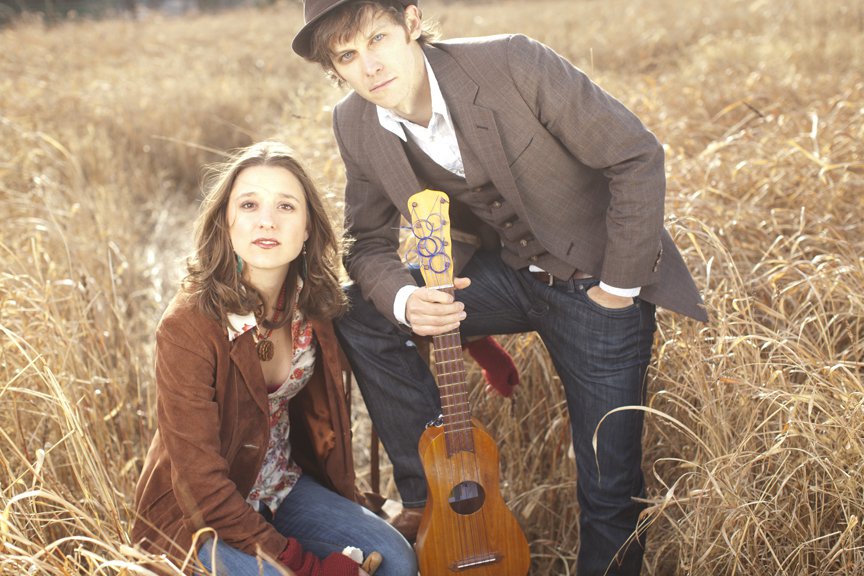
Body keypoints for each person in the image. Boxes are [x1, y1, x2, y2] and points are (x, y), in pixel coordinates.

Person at [291, 2, 708, 575]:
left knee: (608, 486)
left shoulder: (512, 62)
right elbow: (366, 242)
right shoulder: (355, 122)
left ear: (412, 22)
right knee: (360, 308)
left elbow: (635, 155)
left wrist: (617, 287)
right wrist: (407, 300)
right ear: (335, 69)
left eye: (378, 39)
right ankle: (431, 492)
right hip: (503, 276)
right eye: (347, 56)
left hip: (595, 282)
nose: (370, 67)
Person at [131, 141, 417, 576]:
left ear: (306, 228)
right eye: (249, 204)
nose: (267, 220)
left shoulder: (315, 305)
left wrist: (469, 337)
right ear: (226, 223)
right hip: (199, 517)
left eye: (286, 206)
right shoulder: (188, 325)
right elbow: (199, 487)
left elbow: (390, 319)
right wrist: (303, 565)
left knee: (397, 560)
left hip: (281, 487)